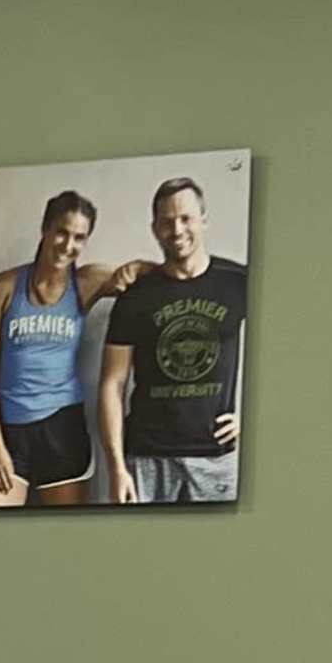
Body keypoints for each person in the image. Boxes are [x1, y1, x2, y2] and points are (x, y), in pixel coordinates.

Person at [0, 190, 135, 510]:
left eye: (79, 237)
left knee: (68, 540)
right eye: (62, 232)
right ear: (45, 228)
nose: (68, 245)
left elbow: (142, 277)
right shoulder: (4, 287)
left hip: (63, 429)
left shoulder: (87, 281)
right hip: (9, 429)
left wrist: (140, 266)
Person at [98, 175, 249, 507]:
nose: (177, 229)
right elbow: (112, 383)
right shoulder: (135, 294)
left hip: (215, 459)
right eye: (167, 221)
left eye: (186, 218)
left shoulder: (240, 283)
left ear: (204, 220)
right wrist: (116, 467)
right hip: (146, 458)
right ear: (154, 227)